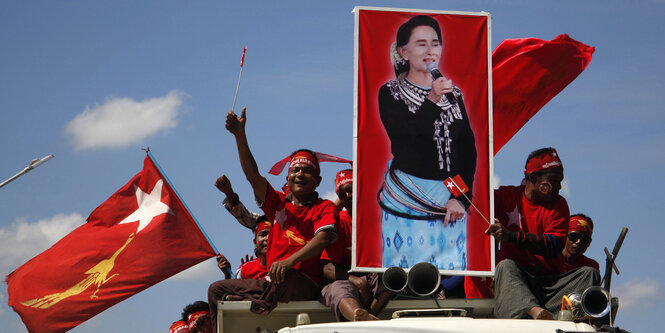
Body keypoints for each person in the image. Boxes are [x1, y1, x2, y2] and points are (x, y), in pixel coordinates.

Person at [207, 107, 338, 329]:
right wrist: (240, 135)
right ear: (287, 177)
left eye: (306, 171)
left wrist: (288, 263)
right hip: (271, 284)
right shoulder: (277, 203)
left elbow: (324, 237)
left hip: (304, 284)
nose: (299, 174)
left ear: (317, 180)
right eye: (295, 170)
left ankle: (255, 303)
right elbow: (252, 175)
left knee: (288, 277)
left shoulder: (323, 207)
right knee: (216, 290)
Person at [377, 15, 476, 270]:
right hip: (407, 195)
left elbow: (466, 150)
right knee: (403, 272)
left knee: (449, 275)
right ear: (403, 51)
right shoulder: (390, 92)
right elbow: (404, 139)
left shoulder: (454, 95)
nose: (430, 50)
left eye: (435, 43)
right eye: (421, 44)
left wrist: (461, 198)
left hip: (448, 200)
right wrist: (431, 99)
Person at [486, 147, 599, 319]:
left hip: (550, 284)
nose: (559, 186)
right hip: (518, 280)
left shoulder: (559, 204)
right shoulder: (505, 196)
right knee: (505, 266)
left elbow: (554, 246)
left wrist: (511, 236)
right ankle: (535, 312)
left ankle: (563, 314)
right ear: (532, 177)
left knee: (589, 274)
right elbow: (474, 198)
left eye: (560, 180)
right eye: (553, 180)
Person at [320, 169, 393, 321]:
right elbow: (327, 268)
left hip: (374, 278)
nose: (349, 196)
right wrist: (357, 281)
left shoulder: (382, 219)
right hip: (345, 279)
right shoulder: (338, 223)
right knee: (340, 288)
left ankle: (366, 318)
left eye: (353, 190)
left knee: (390, 277)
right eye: (343, 194)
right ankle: (358, 318)